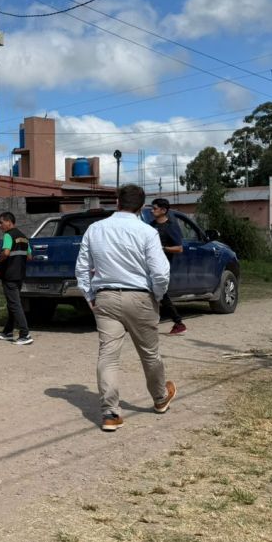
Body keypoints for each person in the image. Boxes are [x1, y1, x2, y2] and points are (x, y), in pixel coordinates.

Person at [75, 184, 176, 432]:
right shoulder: (147, 232)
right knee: (149, 353)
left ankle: (110, 413)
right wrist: (157, 295)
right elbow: (160, 272)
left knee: (108, 356)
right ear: (141, 207)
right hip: (141, 297)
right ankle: (160, 398)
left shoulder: (95, 229)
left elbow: (82, 267)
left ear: (117, 202)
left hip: (106, 297)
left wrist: (89, 295)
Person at [0, 212, 33, 345]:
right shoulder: (24, 237)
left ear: (9, 222)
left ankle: (25, 334)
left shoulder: (8, 235)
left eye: (1, 222)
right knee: (12, 303)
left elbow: (5, 253)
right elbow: (30, 257)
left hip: (9, 275)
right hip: (20, 275)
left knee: (15, 304)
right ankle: (8, 331)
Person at [150, 198, 187, 335]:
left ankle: (178, 322)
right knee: (153, 293)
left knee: (161, 293)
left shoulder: (171, 226)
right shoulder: (151, 225)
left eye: (155, 208)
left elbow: (179, 248)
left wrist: (163, 248)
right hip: (149, 264)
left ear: (163, 210)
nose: (152, 211)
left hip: (162, 266)